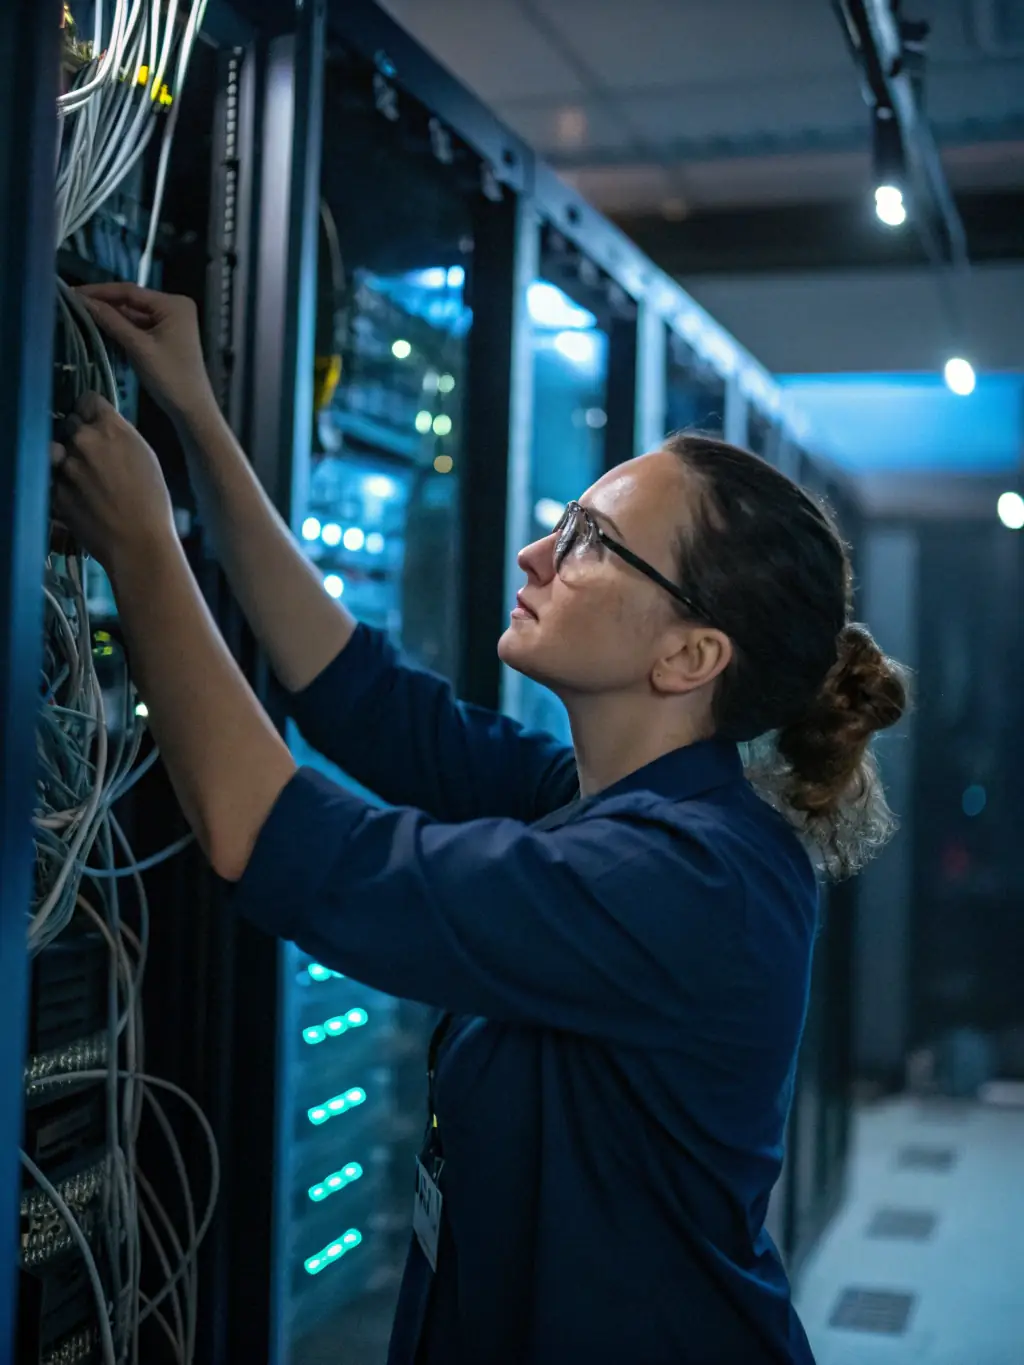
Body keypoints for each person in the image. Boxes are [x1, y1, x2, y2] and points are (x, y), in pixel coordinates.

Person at [53, 283, 908, 1365]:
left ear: (690, 656)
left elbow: (277, 841)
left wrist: (141, 544)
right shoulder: (602, 804)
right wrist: (195, 415)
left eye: (590, 540)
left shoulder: (693, 880)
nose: (535, 555)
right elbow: (362, 697)